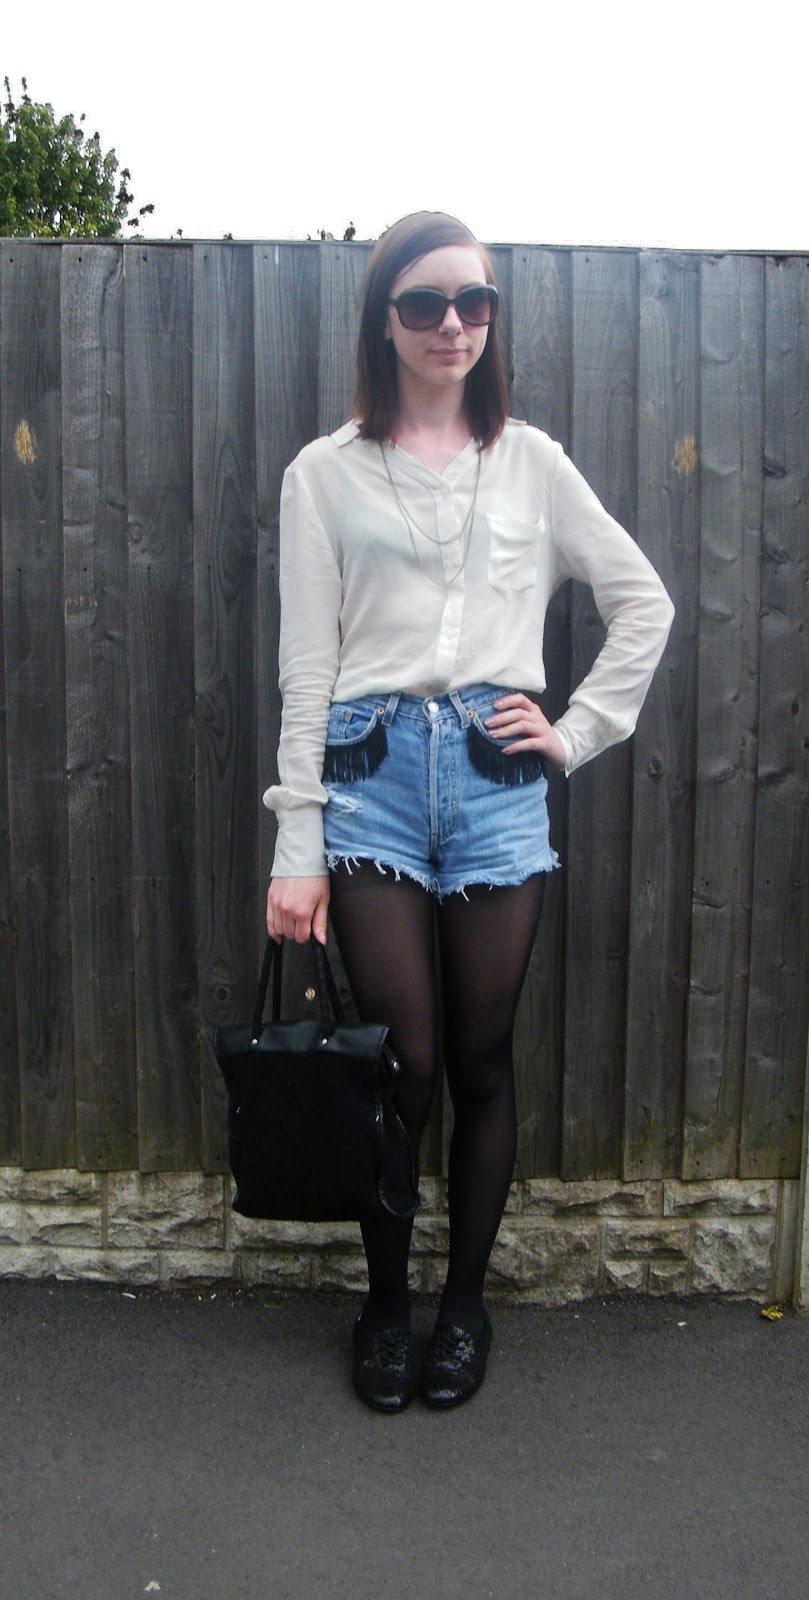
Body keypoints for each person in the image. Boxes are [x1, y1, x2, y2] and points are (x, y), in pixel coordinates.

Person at [264, 211, 673, 1413]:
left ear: (491, 318)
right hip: (368, 776)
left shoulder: (530, 463)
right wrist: (296, 841)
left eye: (473, 302)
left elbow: (641, 602)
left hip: (496, 786)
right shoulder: (323, 473)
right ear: (382, 320)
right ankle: (386, 1306)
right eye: (424, 302)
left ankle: (462, 1308)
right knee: (405, 1063)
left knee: (483, 1059)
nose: (452, 324)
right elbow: (306, 671)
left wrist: (575, 733)